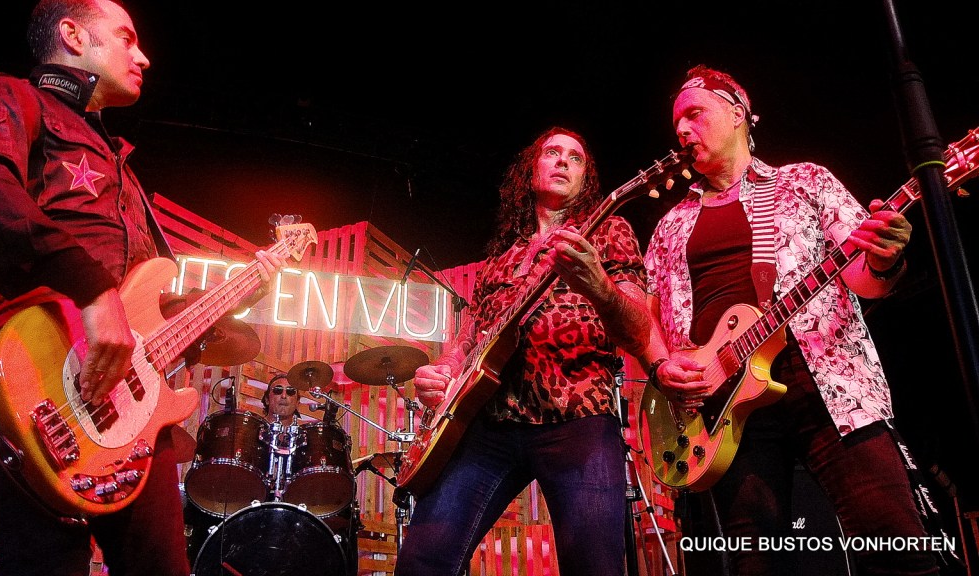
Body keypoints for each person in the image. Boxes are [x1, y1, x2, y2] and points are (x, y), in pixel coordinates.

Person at [0, 1, 286, 574]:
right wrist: (92, 290)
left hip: (132, 413)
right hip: (35, 387)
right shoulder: (13, 97)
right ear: (72, 34)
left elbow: (143, 304)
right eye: (127, 39)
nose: (144, 57)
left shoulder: (120, 164)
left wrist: (240, 291)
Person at [638, 64, 945, 575]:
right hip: (722, 411)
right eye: (677, 124)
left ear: (738, 112)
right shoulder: (671, 225)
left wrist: (884, 259)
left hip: (828, 384)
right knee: (754, 564)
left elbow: (864, 280)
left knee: (897, 547)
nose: (683, 130)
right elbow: (647, 316)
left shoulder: (805, 181)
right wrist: (663, 366)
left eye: (694, 114)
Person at [395, 126, 655, 576]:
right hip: (490, 421)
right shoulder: (502, 257)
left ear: (585, 178)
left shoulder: (608, 230)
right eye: (552, 152)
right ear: (531, 171)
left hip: (579, 416)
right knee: (423, 558)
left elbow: (638, 327)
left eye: (576, 158)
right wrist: (445, 369)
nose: (563, 161)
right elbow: (471, 333)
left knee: (595, 566)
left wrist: (600, 286)